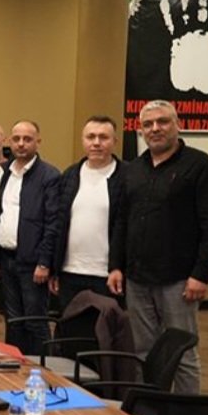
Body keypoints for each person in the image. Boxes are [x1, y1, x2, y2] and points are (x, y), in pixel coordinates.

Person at [108, 100, 208, 394]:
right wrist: (116, 266)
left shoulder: (200, 166)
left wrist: (201, 275)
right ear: (140, 130)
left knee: (182, 354)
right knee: (142, 352)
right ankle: (149, 408)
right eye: (148, 124)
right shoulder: (133, 169)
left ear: (177, 124)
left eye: (162, 122)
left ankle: (185, 414)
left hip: (180, 280)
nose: (155, 129)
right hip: (137, 278)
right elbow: (122, 221)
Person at [0, 120, 61, 355]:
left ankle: (42, 370)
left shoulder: (49, 176)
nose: (21, 144)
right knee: (13, 321)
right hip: (7, 258)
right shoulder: (6, 172)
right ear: (9, 142)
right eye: (16, 139)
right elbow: (2, 215)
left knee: (35, 322)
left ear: (38, 142)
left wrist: (44, 262)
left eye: (27, 139)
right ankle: (16, 367)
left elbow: (53, 223)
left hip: (33, 263)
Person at [51, 116, 126, 310]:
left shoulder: (127, 176)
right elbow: (58, 224)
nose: (96, 143)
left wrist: (118, 267)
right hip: (70, 272)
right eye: (91, 137)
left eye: (103, 137)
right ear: (83, 140)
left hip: (108, 275)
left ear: (115, 141)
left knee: (106, 327)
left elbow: (126, 227)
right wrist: (54, 269)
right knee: (70, 326)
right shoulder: (70, 175)